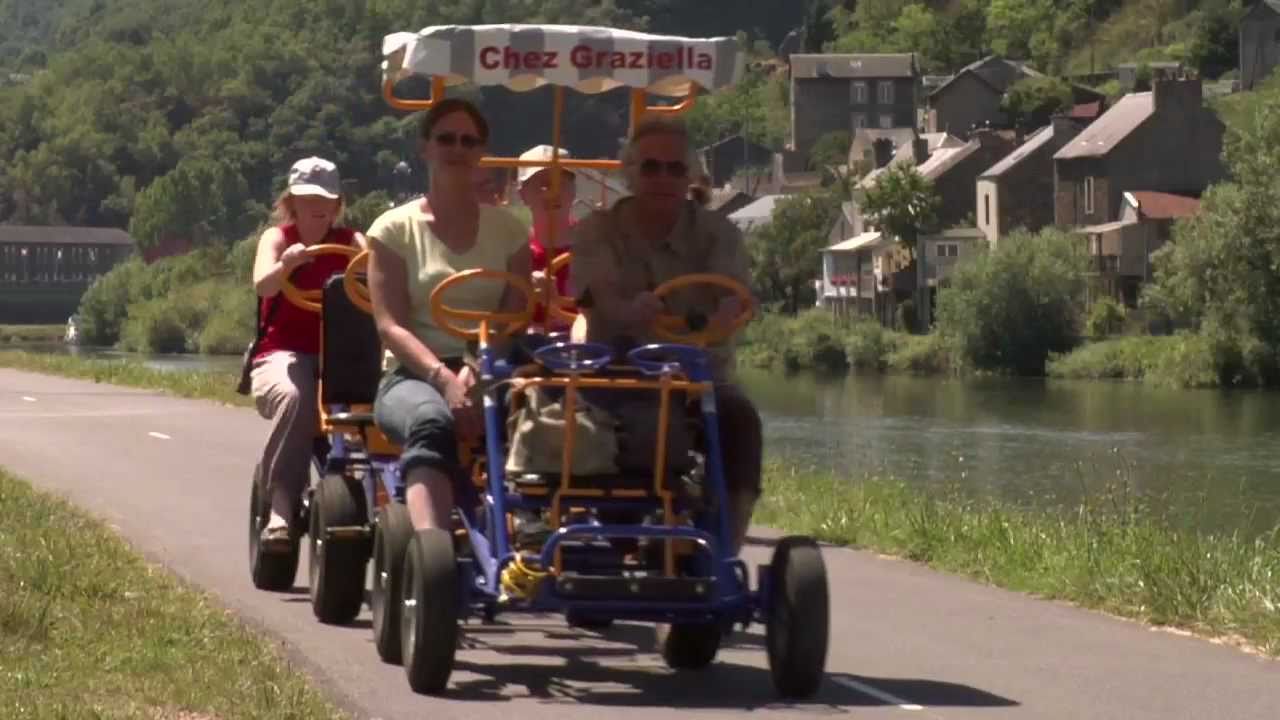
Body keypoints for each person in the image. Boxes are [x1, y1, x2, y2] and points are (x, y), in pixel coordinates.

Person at [568, 114, 763, 556]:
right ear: (630, 173)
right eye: (651, 167)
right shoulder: (599, 230)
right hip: (618, 372)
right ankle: (617, 530)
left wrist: (727, 315)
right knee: (646, 427)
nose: (663, 178)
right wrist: (628, 312)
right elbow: (603, 298)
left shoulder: (719, 233)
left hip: (699, 377)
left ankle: (723, 551)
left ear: (691, 177)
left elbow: (735, 298)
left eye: (675, 169)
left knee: (740, 421)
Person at [365, 98, 531, 533]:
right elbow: (390, 325)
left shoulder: (511, 231)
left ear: (481, 152)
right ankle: (431, 549)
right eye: (446, 139)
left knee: (550, 418)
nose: (457, 148)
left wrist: (478, 368)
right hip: (413, 374)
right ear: (426, 148)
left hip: (492, 368)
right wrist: (445, 380)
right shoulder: (393, 229)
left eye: (468, 141)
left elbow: (513, 316)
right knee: (431, 421)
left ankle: (531, 537)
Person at [249, 156, 366, 549]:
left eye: (326, 199)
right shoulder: (277, 238)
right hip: (281, 353)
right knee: (297, 398)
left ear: (337, 205)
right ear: (291, 203)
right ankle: (280, 507)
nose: (318, 207)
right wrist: (286, 265)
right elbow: (263, 287)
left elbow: (381, 280)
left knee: (377, 409)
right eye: (307, 197)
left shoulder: (352, 243)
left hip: (343, 357)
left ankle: (383, 501)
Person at [517, 144, 578, 332]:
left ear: (574, 191)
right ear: (523, 195)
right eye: (542, 185)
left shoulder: (594, 244)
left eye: (561, 183)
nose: (553, 192)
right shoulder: (516, 252)